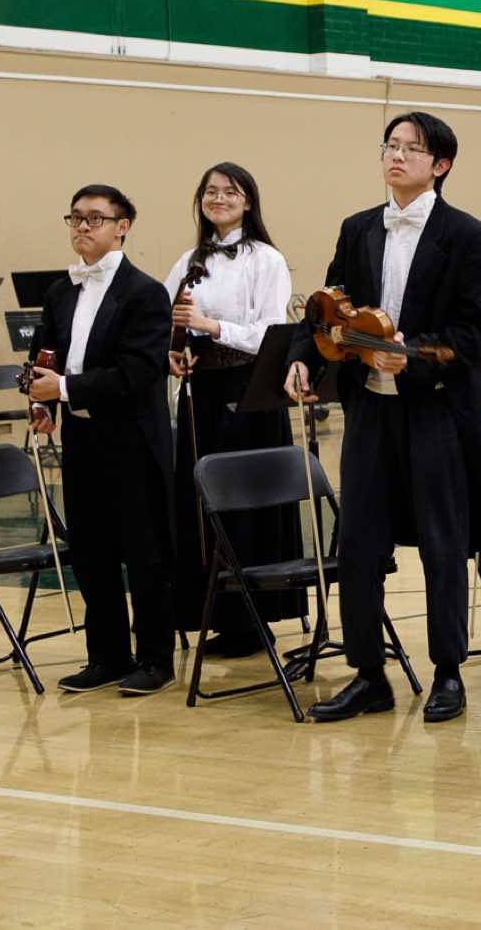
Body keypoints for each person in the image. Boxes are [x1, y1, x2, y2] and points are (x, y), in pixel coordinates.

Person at [285, 111, 481, 724]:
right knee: (358, 542)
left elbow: (471, 334)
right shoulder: (357, 228)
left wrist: (414, 356)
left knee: (441, 544)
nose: (396, 156)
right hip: (369, 410)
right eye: (390, 146)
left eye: (412, 148)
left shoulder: (471, 236)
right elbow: (327, 308)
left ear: (441, 165)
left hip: (435, 412)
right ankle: (368, 674)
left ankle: (448, 671)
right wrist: (302, 358)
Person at [26, 185, 175, 696]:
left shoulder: (145, 292)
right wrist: (43, 403)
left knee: (144, 550)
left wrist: (64, 389)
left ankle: (155, 658)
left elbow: (139, 371)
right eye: (75, 218)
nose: (82, 227)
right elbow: (47, 354)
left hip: (133, 439)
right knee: (91, 550)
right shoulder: (59, 291)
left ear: (122, 226)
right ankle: (107, 656)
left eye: (94, 218)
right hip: (82, 436)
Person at [163, 162, 302, 657]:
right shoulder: (187, 260)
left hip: (250, 391)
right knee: (202, 503)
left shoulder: (266, 259)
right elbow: (169, 320)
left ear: (248, 202)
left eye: (230, 192)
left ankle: (253, 621)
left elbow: (271, 332)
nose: (218, 199)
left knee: (247, 501)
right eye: (210, 191)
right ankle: (212, 614)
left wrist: (212, 326)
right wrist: (174, 349)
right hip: (201, 391)